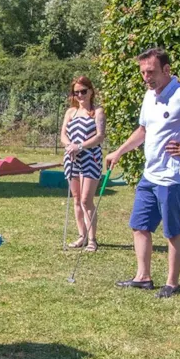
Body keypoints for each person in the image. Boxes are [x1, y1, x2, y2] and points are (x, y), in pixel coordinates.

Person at [105, 48, 180, 298]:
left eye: (151, 72)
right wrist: (118, 152)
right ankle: (143, 277)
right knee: (139, 226)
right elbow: (143, 130)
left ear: (166, 70)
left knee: (172, 231)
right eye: (143, 72)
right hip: (151, 175)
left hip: (174, 178)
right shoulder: (150, 96)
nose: (146, 77)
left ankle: (172, 283)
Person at [60, 76, 105, 252]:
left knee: (87, 200)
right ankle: (82, 236)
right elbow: (63, 134)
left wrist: (80, 146)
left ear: (91, 91)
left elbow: (100, 136)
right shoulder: (70, 112)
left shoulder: (97, 111)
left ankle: (92, 239)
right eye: (76, 92)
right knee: (77, 199)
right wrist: (69, 146)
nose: (80, 95)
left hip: (91, 158)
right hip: (72, 158)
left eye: (83, 91)